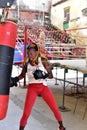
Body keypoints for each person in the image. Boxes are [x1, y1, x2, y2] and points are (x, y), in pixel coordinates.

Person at [10, 43, 66, 130]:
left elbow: (51, 76)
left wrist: (44, 75)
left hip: (43, 87)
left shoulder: (43, 60)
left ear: (36, 52)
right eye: (28, 53)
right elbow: (22, 75)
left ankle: (61, 126)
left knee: (54, 108)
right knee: (26, 113)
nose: (30, 56)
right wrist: (14, 80)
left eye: (32, 53)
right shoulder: (26, 62)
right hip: (32, 88)